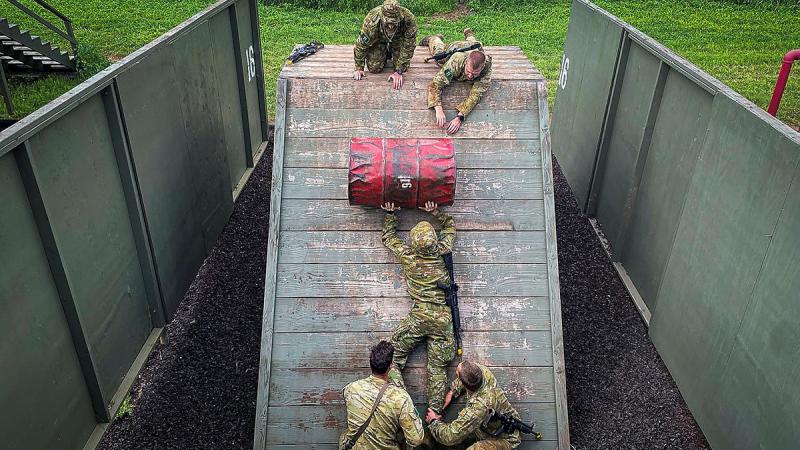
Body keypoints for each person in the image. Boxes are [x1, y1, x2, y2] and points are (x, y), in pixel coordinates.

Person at [381, 200, 457, 416]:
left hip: (419, 316)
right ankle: (434, 417)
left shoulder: (409, 256)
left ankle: (406, 408)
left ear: (414, 243)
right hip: (443, 317)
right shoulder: (443, 249)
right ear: (434, 242)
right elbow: (450, 227)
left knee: (392, 358)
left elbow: (389, 238)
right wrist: (436, 212)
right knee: (437, 370)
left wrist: (391, 214)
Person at [341, 340, 425, 449]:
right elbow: (416, 440)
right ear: (390, 366)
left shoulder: (350, 389)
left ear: (371, 363)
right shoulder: (401, 398)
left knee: (344, 436)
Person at [425, 360, 522, 449]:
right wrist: (452, 391)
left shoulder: (477, 409)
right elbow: (467, 378)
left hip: (505, 439)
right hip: (491, 426)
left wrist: (433, 421)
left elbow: (450, 437)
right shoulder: (482, 372)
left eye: (457, 374)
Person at [421, 28, 493, 134]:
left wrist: (460, 117)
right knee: (439, 56)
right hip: (456, 48)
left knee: (475, 43)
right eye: (468, 71)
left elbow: (476, 94)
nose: (470, 76)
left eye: (474, 74)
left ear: (482, 68)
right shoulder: (456, 61)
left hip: (474, 46)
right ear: (466, 62)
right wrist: (438, 108)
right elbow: (435, 84)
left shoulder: (486, 66)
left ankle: (469, 34)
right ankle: (434, 38)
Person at [353, 0, 418, 90]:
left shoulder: (408, 19)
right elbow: (361, 45)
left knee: (403, 68)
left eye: (394, 23)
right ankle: (386, 51)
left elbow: (409, 46)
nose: (391, 27)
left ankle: (391, 50)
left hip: (398, 40)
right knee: (374, 68)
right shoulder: (371, 20)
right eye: (387, 24)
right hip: (378, 40)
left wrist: (399, 71)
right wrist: (359, 67)